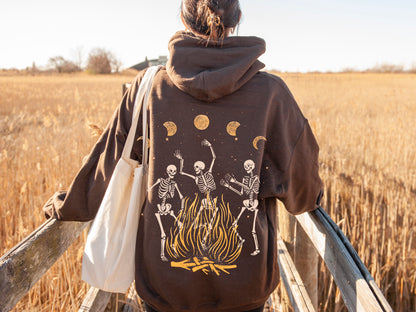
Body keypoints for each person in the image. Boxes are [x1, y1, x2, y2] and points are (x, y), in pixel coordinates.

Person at [43, 0, 323, 311]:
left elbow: (105, 166)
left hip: (164, 288)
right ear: (237, 18)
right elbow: (303, 195)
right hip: (244, 289)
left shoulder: (147, 88)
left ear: (183, 17)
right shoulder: (272, 94)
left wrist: (66, 205)